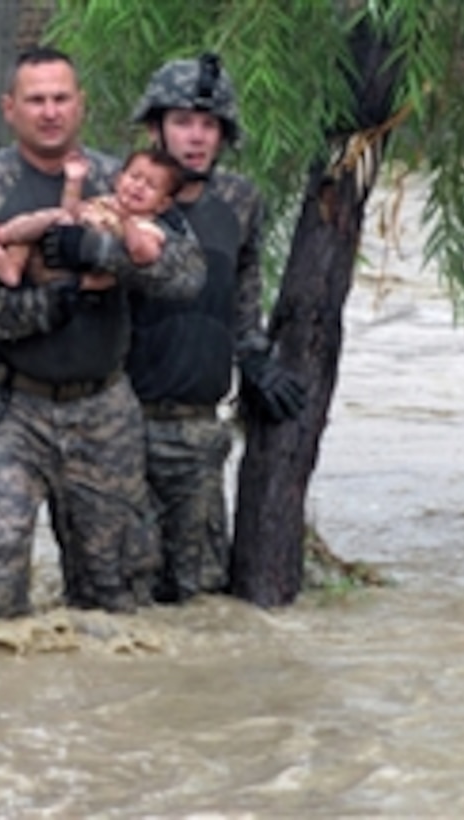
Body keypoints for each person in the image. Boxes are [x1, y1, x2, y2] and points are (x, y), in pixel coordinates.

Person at [0, 45, 205, 618]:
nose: (50, 111)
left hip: (101, 408)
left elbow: (187, 276)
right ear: (10, 108)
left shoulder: (123, 181)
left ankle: (90, 703)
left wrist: (104, 251)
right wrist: (46, 305)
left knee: (112, 587)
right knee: (3, 557)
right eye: (36, 100)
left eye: (61, 98)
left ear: (81, 105)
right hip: (4, 406)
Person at [126, 53, 306, 603]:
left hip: (199, 430)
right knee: (117, 591)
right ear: (156, 127)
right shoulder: (120, 198)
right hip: (117, 426)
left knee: (199, 594)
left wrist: (254, 358)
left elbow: (244, 293)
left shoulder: (240, 201)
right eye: (183, 122)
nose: (197, 137)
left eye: (209, 126)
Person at [0, 146, 184, 288]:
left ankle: (0, 234)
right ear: (119, 180)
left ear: (163, 203)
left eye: (151, 186)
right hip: (58, 247)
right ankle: (11, 264)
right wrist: (74, 182)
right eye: (135, 177)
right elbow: (70, 213)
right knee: (46, 222)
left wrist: (126, 220)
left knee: (52, 218)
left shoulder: (149, 227)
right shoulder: (104, 201)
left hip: (86, 277)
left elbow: (142, 254)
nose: (139, 186)